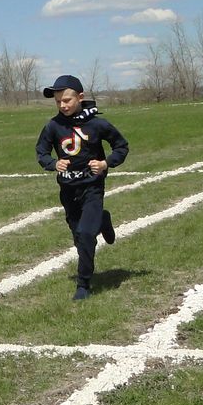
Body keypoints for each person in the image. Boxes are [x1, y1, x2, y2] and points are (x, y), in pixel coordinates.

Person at [36, 75, 129, 301]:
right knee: (79, 237)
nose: (63, 105)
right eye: (58, 102)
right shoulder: (53, 126)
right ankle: (103, 220)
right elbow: (41, 152)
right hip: (68, 190)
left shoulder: (97, 124)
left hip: (92, 188)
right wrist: (52, 163)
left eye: (67, 100)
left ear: (80, 97)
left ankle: (83, 284)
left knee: (86, 234)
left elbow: (121, 146)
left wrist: (105, 163)